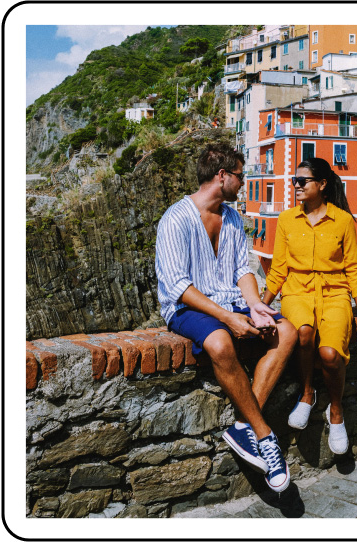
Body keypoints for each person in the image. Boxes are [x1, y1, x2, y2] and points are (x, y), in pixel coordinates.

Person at [155, 142, 298, 492]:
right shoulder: (175, 218)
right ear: (222, 176)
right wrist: (228, 318)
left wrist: (254, 306)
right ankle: (264, 435)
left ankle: (243, 427)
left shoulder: (232, 218)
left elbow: (241, 269)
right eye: (240, 175)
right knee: (219, 341)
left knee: (288, 332)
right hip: (187, 307)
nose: (243, 182)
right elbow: (178, 285)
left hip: (229, 301)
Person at [261, 157, 357, 455]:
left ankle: (336, 413)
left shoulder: (343, 220)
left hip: (335, 294)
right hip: (296, 292)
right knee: (304, 333)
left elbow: (353, 267)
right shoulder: (286, 220)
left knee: (330, 353)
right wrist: (260, 307)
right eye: (294, 181)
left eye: (302, 181)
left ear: (322, 185)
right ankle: (308, 393)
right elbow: (278, 268)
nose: (296, 186)